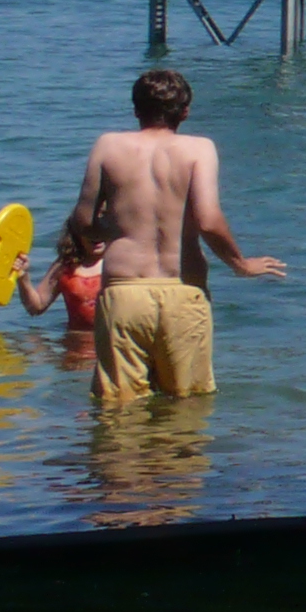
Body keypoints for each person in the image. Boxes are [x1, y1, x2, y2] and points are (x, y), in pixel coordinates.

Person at [65, 67, 289, 405]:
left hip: (125, 293)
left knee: (118, 411)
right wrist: (241, 264)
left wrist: (115, 229)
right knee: (186, 407)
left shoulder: (108, 145)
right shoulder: (199, 149)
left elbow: (82, 220)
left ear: (136, 109)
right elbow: (209, 221)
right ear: (185, 111)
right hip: (183, 290)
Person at [14, 223, 107, 349]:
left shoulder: (123, 262)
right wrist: (23, 277)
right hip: (76, 344)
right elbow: (36, 307)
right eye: (89, 230)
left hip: (112, 343)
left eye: (101, 229)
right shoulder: (65, 265)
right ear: (76, 232)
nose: (96, 235)